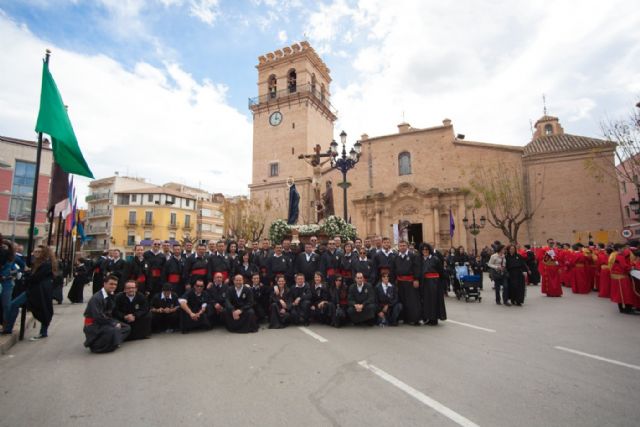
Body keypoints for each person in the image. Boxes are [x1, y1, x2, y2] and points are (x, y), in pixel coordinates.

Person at [4, 245, 56, 339]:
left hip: (39, 291)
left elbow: (36, 277)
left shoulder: (46, 264)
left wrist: (26, 275)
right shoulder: (38, 263)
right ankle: (8, 328)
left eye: (38, 252)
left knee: (43, 310)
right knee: (15, 305)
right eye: (35, 251)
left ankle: (43, 332)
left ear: (43, 253)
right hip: (35, 290)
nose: (36, 253)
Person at [83, 274, 131, 353]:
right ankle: (99, 345)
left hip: (105, 321)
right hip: (94, 324)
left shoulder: (111, 295)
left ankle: (114, 340)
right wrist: (113, 323)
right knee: (114, 330)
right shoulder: (96, 298)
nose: (113, 286)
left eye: (115, 284)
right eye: (111, 284)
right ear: (104, 284)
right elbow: (98, 317)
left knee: (127, 328)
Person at [392, 240, 420, 325]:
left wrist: (416, 279)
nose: (402, 247)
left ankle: (414, 319)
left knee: (412, 301)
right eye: (400, 246)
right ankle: (404, 318)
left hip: (410, 282)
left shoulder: (413, 256)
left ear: (407, 246)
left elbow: (416, 268)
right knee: (402, 300)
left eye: (404, 245)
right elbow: (394, 270)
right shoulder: (396, 257)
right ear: (398, 247)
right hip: (400, 282)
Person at [419, 243, 447, 325]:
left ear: (429, 250)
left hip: (434, 283)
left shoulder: (435, 259)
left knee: (434, 301)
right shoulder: (421, 259)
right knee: (426, 301)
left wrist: (440, 282)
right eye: (423, 250)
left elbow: (441, 271)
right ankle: (428, 317)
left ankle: (434, 319)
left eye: (426, 250)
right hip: (425, 282)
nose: (425, 251)